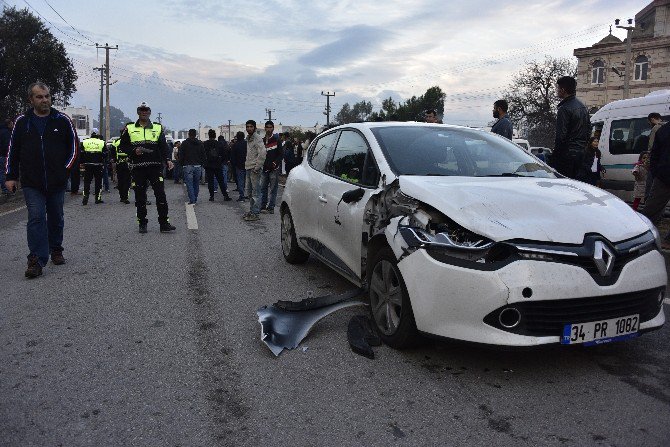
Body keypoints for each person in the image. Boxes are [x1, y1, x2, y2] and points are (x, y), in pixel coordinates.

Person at [4, 82, 78, 278]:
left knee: (56, 217)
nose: (44, 100)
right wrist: (11, 176)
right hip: (32, 182)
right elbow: (13, 152)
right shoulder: (22, 122)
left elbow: (74, 149)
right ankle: (36, 259)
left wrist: (65, 171)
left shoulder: (62, 120)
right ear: (31, 100)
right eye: (39, 97)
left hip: (57, 181)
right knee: (36, 217)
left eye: (47, 96)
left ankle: (56, 248)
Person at [119, 101, 175, 234]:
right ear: (138, 112)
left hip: (155, 167)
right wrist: (133, 151)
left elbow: (163, 146)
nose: (144, 112)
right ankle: (142, 223)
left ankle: (164, 223)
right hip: (138, 168)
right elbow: (123, 146)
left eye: (146, 110)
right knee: (140, 196)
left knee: (160, 196)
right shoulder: (130, 127)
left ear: (150, 112)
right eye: (142, 110)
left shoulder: (157, 127)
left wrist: (168, 160)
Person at [551, 76, 590, 178]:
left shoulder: (564, 109)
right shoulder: (583, 107)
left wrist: (555, 157)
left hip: (567, 156)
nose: (557, 91)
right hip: (581, 154)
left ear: (563, 90)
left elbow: (560, 136)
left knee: (564, 186)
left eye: (558, 88)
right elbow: (589, 131)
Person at [641, 122, 670, 249]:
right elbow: (654, 154)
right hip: (664, 177)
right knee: (651, 208)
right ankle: (642, 235)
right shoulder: (663, 130)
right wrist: (656, 171)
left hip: (662, 174)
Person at [242, 120, 266, 221]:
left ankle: (255, 213)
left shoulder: (257, 138)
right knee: (250, 192)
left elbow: (263, 153)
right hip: (248, 167)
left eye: (251, 127)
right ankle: (252, 211)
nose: (249, 128)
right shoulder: (249, 138)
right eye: (247, 127)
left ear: (255, 128)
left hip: (254, 169)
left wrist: (257, 167)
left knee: (256, 192)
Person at [259, 121, 282, 214]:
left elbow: (281, 154)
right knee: (263, 188)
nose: (268, 129)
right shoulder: (262, 141)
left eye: (270, 127)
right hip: (264, 169)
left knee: (273, 189)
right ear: (265, 128)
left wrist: (275, 162)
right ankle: (263, 205)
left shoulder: (277, 140)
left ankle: (271, 207)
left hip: (274, 169)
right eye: (267, 127)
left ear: (273, 128)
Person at [80, 128, 107, 205]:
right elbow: (105, 154)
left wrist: (82, 162)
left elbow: (81, 154)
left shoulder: (84, 142)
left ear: (91, 133)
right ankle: (97, 199)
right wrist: (102, 160)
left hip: (88, 165)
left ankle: (85, 198)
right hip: (98, 165)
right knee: (98, 182)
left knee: (87, 182)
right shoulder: (102, 142)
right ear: (97, 134)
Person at [179, 128, 205, 205]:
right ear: (196, 134)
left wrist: (182, 163)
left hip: (188, 166)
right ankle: (195, 198)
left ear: (189, 134)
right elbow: (203, 155)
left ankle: (192, 199)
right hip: (198, 166)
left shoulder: (184, 143)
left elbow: (181, 155)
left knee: (189, 183)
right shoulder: (200, 143)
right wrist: (202, 163)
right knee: (196, 183)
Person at [204, 129, 231, 201]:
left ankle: (211, 196)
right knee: (221, 181)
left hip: (209, 165)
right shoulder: (219, 144)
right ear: (215, 135)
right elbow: (224, 154)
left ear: (209, 135)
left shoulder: (205, 143)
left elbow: (203, 154)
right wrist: (221, 161)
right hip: (217, 164)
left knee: (210, 181)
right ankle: (225, 195)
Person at [111, 130, 131, 204]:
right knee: (127, 181)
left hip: (119, 164)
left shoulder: (115, 142)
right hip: (127, 164)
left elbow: (112, 152)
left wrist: (114, 160)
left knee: (120, 180)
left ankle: (122, 197)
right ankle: (125, 197)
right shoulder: (129, 141)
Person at [231, 131, 247, 201]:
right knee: (248, 181)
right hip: (248, 165)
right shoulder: (247, 144)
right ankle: (249, 195)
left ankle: (242, 196)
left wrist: (234, 165)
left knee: (240, 181)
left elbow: (233, 157)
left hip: (239, 165)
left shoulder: (235, 145)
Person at [0, 118, 13, 195]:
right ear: (8, 124)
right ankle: (5, 189)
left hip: (1, 155)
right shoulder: (6, 133)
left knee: (1, 172)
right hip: (4, 155)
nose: (13, 125)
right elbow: (7, 145)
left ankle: (5, 188)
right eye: (11, 124)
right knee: (4, 172)